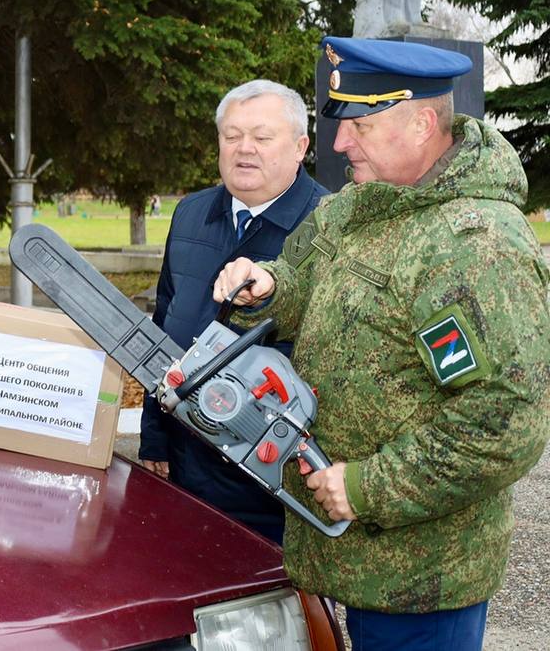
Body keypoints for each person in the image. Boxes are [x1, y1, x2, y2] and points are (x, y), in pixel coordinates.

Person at [214, 37, 550, 651]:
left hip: (420, 579)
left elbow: (504, 421)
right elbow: (303, 280)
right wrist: (268, 288)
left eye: (361, 126)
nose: (341, 143)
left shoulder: (475, 245)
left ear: (421, 124)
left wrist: (369, 487)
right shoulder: (363, 204)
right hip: (349, 557)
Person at [138, 79, 326, 543]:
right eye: (232, 135)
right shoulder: (191, 213)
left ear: (300, 147)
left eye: (262, 137)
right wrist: (155, 436)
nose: (245, 149)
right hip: (186, 464)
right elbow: (165, 323)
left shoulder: (329, 227)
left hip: (275, 478)